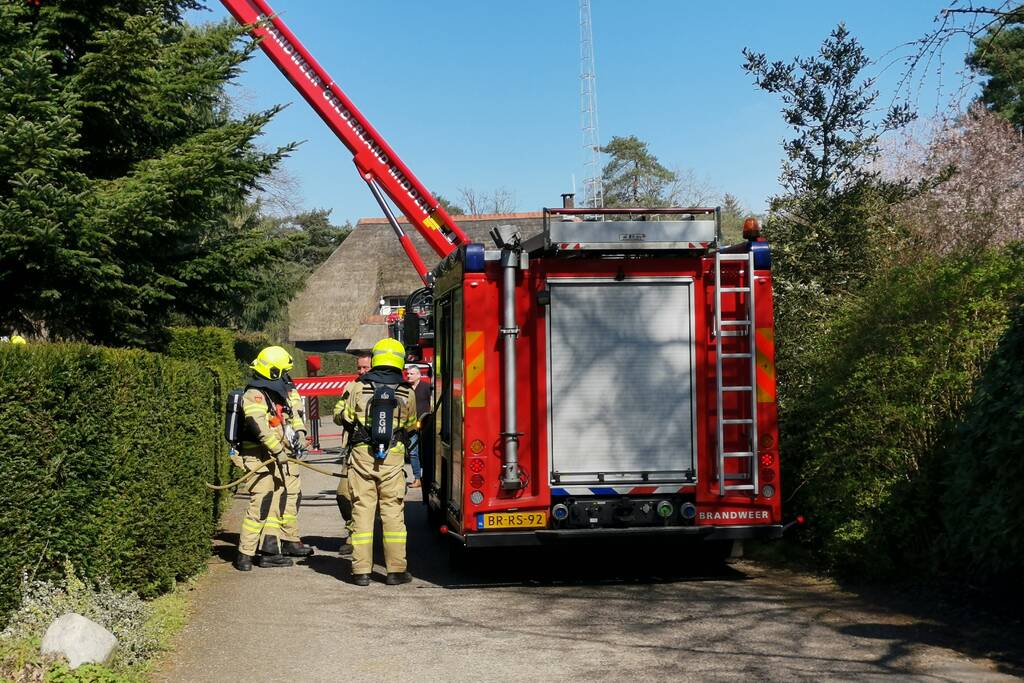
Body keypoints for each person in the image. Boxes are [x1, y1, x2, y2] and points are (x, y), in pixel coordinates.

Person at [338, 338, 417, 586]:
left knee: (362, 511)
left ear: (375, 359)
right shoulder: (407, 391)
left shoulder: (358, 387)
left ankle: (361, 571)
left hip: (362, 455)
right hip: (392, 458)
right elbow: (410, 425)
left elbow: (345, 417)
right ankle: (396, 571)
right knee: (392, 513)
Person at [233, 346, 314, 571]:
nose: (286, 375)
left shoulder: (273, 392)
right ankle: (244, 554)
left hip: (271, 455)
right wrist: (278, 450)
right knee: (261, 500)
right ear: (274, 371)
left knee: (277, 497)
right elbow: (258, 426)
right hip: (257, 457)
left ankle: (269, 551)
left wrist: (300, 433)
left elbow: (290, 415)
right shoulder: (255, 394)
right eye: (283, 371)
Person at [332, 351, 371, 556]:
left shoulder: (388, 387)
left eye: (366, 367)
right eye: (359, 368)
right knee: (344, 494)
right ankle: (352, 532)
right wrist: (346, 416)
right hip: (353, 450)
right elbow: (337, 414)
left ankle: (369, 537)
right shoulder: (351, 387)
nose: (362, 371)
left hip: (381, 453)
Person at [405, 365, 431, 488]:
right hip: (410, 426)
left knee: (426, 452)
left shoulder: (427, 387)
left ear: (419, 375)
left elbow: (433, 403)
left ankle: (428, 478)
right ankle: (417, 478)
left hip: (425, 425)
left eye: (411, 373)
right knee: (413, 452)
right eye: (408, 373)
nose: (408, 376)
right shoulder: (405, 388)